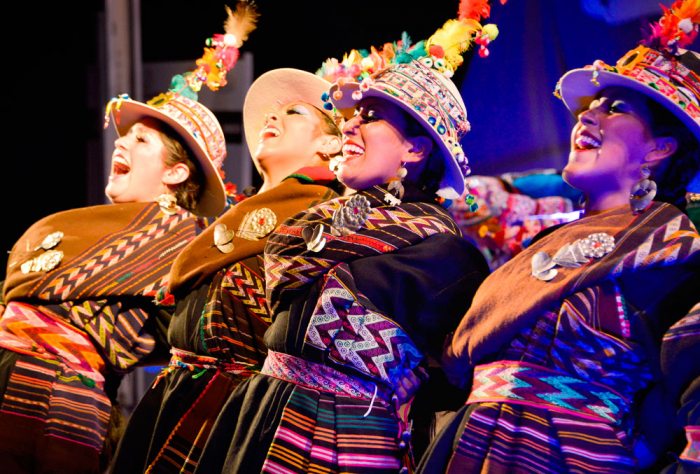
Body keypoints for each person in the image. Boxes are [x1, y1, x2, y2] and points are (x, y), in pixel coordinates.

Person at [194, 14, 500, 468]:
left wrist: (413, 384)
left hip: (344, 434)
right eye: (353, 115)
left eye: (371, 117)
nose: (350, 126)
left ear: (415, 149)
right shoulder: (317, 221)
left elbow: (460, 373)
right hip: (260, 409)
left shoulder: (446, 256)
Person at [417, 2, 700, 472]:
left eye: (616, 108)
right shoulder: (538, 247)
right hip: (471, 447)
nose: (586, 116)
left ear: (659, 148)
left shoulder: (673, 259)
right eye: (589, 107)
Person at [108, 67, 346, 474]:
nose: (274, 116)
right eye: (273, 112)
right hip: (177, 392)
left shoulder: (326, 217)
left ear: (330, 143)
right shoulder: (228, 225)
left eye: (294, 112)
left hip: (234, 408)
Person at [0, 91, 228, 474]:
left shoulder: (183, 250)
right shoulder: (89, 231)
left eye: (142, 139)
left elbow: (185, 336)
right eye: (126, 136)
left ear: (175, 173)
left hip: (52, 396)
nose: (120, 143)